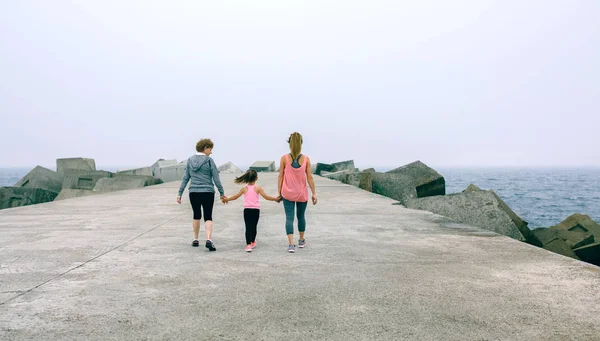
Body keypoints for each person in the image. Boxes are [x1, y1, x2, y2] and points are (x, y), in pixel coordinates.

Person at [177, 138, 227, 251]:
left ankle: (195, 239)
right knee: (208, 215)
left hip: (193, 192)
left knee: (196, 214)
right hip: (208, 192)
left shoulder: (190, 160)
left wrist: (180, 193)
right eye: (210, 149)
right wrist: (222, 192)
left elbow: (186, 177)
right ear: (205, 148)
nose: (211, 152)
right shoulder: (209, 161)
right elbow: (216, 178)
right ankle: (209, 239)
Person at [278, 132, 317, 253]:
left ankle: (291, 245)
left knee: (289, 218)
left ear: (289, 143)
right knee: (301, 217)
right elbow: (309, 177)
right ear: (301, 143)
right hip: (301, 194)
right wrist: (314, 193)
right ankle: (301, 241)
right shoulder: (306, 159)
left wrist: (279, 192)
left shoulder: (284, 158)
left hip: (287, 193)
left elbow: (280, 176)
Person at [223, 169, 280, 252]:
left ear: (246, 178)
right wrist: (275, 199)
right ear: (256, 178)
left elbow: (235, 196)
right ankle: (252, 241)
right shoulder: (258, 188)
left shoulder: (244, 189)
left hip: (247, 210)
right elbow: (266, 197)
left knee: (248, 227)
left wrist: (227, 199)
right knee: (254, 227)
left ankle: (248, 245)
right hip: (256, 210)